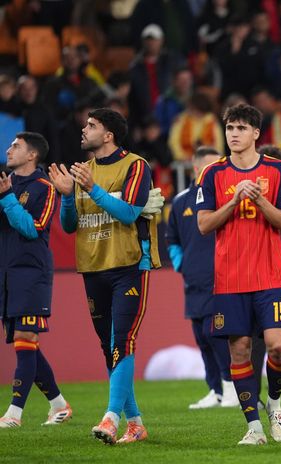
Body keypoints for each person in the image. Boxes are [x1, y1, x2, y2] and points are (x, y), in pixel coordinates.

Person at [48, 109, 164, 443]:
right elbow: (69, 225)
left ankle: (111, 418)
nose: (84, 129)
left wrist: (92, 188)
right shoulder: (84, 170)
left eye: (92, 125)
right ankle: (136, 424)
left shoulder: (135, 166)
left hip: (129, 264)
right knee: (108, 347)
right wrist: (68, 196)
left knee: (122, 341)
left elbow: (129, 213)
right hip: (93, 266)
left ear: (109, 135)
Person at [194, 104, 281, 445]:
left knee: (277, 348)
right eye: (229, 128)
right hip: (230, 280)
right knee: (239, 352)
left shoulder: (277, 170)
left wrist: (260, 201)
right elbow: (204, 225)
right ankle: (254, 427)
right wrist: (234, 201)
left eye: (240, 128)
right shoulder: (212, 174)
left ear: (255, 133)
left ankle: (275, 404)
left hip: (270, 276)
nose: (234, 134)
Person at [0, 132, 71, 428]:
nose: (8, 149)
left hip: (31, 273)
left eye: (16, 146)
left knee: (25, 338)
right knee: (25, 344)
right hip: (7, 276)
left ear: (32, 155)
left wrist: (7, 198)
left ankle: (14, 414)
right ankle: (59, 404)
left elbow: (33, 227)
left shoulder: (44, 187)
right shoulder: (6, 184)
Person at [166, 146, 238, 409]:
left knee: (216, 333)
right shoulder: (180, 201)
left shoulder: (225, 196)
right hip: (193, 279)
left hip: (221, 276)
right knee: (201, 337)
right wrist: (181, 264)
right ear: (196, 168)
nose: (216, 171)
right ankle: (215, 390)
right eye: (210, 166)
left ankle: (231, 386)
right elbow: (171, 239)